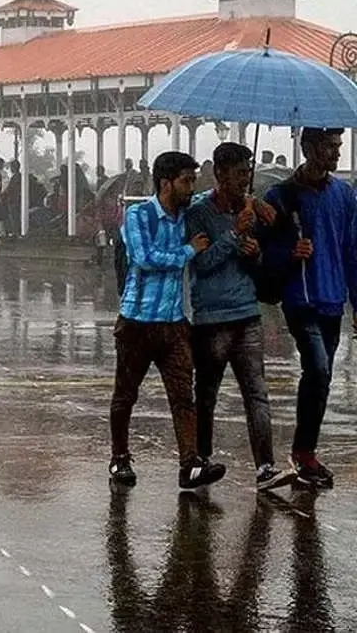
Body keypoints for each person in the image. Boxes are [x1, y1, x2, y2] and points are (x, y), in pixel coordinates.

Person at [108, 151, 225, 490]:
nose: (191, 188)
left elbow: (209, 197)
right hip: (136, 321)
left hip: (173, 323)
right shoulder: (138, 215)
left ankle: (189, 464)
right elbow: (145, 258)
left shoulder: (188, 214)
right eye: (186, 181)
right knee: (125, 395)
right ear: (166, 183)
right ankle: (120, 458)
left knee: (182, 396)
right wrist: (189, 251)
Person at [185, 143, 294, 491]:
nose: (245, 180)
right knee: (207, 394)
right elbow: (201, 263)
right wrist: (234, 234)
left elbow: (256, 262)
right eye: (238, 173)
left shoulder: (251, 209)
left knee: (257, 393)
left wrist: (254, 250)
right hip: (211, 318)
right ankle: (200, 459)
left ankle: (265, 466)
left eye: (248, 172)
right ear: (219, 174)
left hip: (247, 313)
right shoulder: (199, 212)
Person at [259, 127, 357, 488]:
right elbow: (263, 250)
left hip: (333, 299)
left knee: (323, 376)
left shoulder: (345, 196)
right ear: (308, 148)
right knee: (316, 368)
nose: (335, 153)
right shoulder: (281, 196)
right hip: (300, 299)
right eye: (330, 146)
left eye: (339, 146)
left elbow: (352, 251)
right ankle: (303, 451)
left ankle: (306, 452)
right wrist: (289, 253)